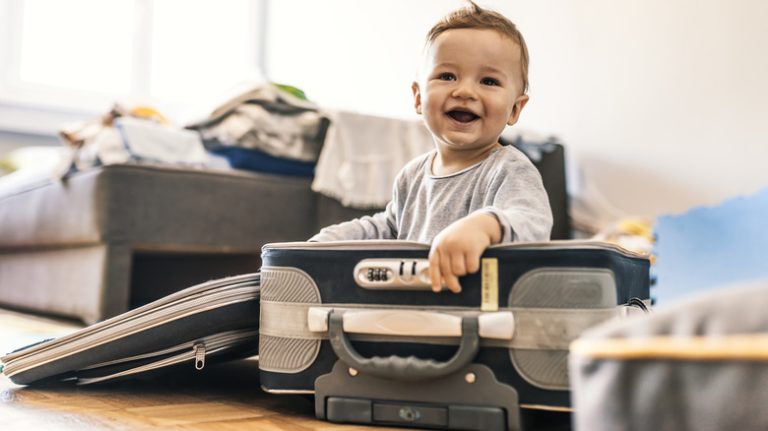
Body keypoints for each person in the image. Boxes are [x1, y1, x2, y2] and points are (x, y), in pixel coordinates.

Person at [310, 1, 552, 293]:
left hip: (481, 315)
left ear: (515, 108)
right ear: (418, 97)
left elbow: (532, 224)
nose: (464, 91)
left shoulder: (509, 170)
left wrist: (485, 226)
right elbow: (387, 228)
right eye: (447, 76)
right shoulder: (412, 175)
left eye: (488, 81)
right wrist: (330, 241)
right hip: (418, 306)